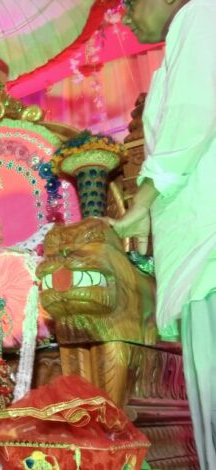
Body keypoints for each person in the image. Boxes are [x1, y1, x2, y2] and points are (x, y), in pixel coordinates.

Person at [110, 0, 216, 467]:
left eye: (131, 2)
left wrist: (142, 204)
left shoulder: (201, 14)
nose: (125, 15)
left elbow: (191, 115)